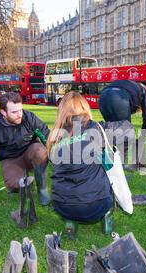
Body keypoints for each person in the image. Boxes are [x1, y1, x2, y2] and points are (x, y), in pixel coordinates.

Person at [47, 92, 135, 239]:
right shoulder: (96, 128)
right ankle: (107, 218)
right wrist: (117, 148)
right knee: (109, 171)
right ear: (85, 108)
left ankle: (71, 225)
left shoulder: (54, 136)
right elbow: (130, 130)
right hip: (96, 206)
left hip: (61, 206)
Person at [97, 79, 146, 171]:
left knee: (116, 134)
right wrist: (143, 135)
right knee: (125, 135)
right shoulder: (143, 91)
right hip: (118, 98)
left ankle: (113, 167)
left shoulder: (130, 86)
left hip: (102, 98)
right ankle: (120, 171)